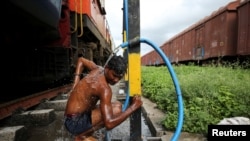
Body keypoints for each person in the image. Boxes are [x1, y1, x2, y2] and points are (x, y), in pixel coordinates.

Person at [64, 54, 143, 141]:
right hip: (73, 123)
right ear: (107, 68)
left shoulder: (98, 69)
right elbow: (109, 124)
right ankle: (82, 136)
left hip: (71, 117)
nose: (116, 80)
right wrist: (133, 107)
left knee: (117, 106)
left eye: (119, 77)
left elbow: (81, 60)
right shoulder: (104, 89)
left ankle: (85, 133)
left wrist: (76, 82)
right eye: (114, 75)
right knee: (116, 111)